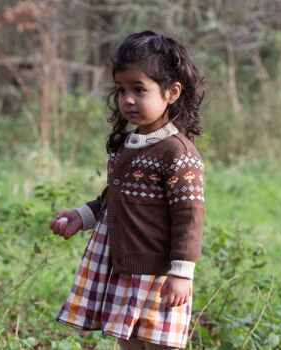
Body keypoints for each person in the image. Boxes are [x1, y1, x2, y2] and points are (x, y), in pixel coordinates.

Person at [50, 31, 206, 350]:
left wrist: (182, 272)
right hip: (124, 268)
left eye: (139, 89)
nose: (128, 99)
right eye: (121, 90)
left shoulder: (177, 153)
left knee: (161, 343)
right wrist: (83, 216)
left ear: (172, 92)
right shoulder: (128, 145)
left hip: (158, 273)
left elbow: (189, 216)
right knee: (129, 340)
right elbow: (114, 198)